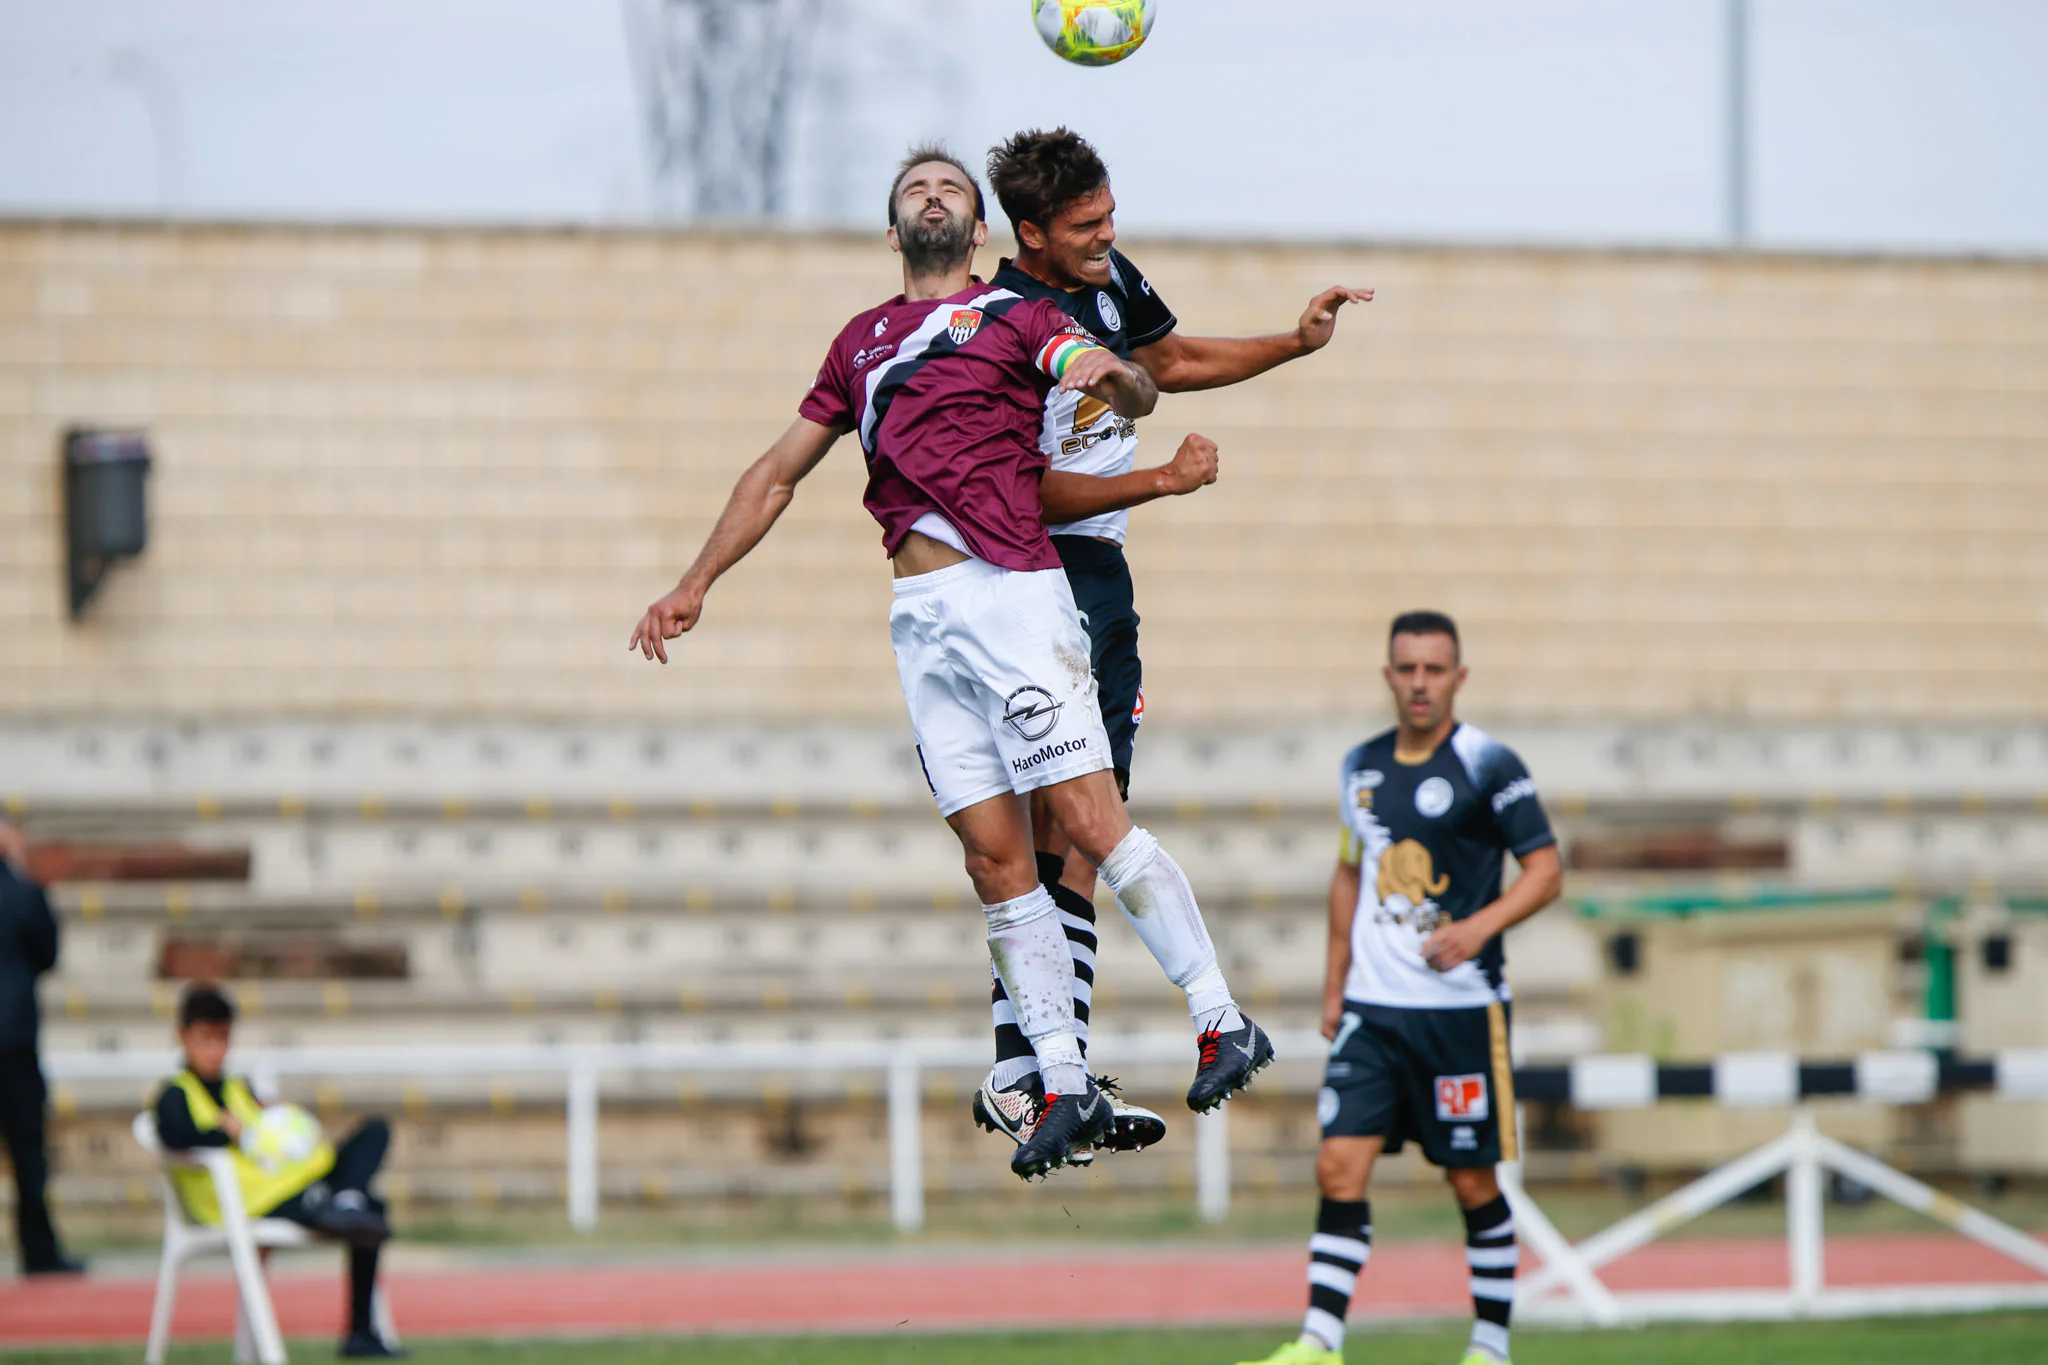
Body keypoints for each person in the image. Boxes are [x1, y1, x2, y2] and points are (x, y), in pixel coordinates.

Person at [628, 144, 1269, 1180]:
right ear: (891, 231)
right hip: (920, 618)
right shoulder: (857, 344)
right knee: (991, 862)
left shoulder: (1018, 318)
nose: (931, 197)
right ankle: (1058, 1081)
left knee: (1087, 827)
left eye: (949, 191)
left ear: (978, 233)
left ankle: (1219, 1015)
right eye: (912, 191)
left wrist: (1120, 380)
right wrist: (695, 580)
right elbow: (776, 473)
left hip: (1013, 597)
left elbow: (1095, 368)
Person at [969, 127, 1373, 1156]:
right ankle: (1059, 1064)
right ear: (1029, 234)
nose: (1108, 237)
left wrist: (1294, 343)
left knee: (1063, 836)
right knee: (1074, 826)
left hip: (1085, 579)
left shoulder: (1100, 285)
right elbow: (1017, 487)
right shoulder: (1005, 326)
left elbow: (1168, 359)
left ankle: (1041, 1073)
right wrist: (1157, 480)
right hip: (1044, 577)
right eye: (1085, 227)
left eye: (1109, 217)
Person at [1240, 612, 1564, 1365]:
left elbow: (1546, 871)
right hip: (1373, 1013)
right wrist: (1333, 987)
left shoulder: (1489, 762)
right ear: (1388, 675)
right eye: (1407, 669)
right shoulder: (1361, 765)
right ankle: (1320, 1342)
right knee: (1337, 1164)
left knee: (1471, 1177)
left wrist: (1479, 928)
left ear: (1458, 677)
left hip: (1459, 1014)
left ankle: (1489, 1346)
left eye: (1434, 669)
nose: (1420, 683)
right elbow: (1350, 873)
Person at [154, 984, 402, 1358]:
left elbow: (271, 1132)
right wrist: (226, 1133)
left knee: (374, 1134)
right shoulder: (175, 1095)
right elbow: (173, 1134)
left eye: (222, 1038)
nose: (215, 1050)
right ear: (182, 1036)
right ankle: (345, 1203)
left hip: (294, 1183)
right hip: (250, 1203)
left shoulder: (240, 1089)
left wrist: (286, 1126)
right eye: (205, 1038)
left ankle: (360, 1328)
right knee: (371, 1211)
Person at [0, 819, 82, 1277]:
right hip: (13, 1039)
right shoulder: (24, 892)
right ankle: (39, 1254)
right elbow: (47, 953)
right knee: (29, 1151)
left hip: (14, 1037)